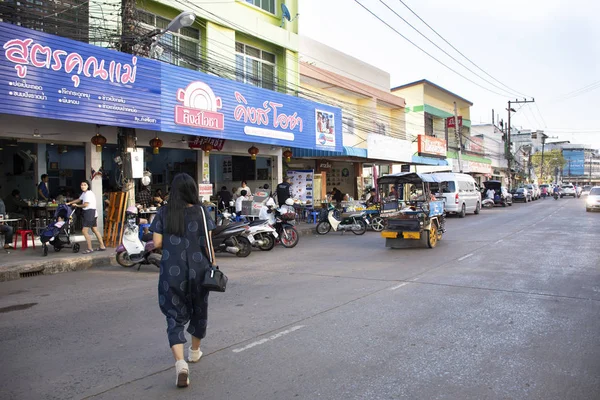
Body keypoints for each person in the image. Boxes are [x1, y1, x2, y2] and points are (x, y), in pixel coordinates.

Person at [149, 173, 216, 388]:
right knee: (199, 309)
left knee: (173, 314)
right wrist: (212, 265)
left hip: (172, 268)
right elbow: (208, 244)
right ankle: (194, 352)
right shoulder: (202, 212)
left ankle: (180, 364)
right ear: (192, 190)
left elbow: (157, 242)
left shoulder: (164, 211)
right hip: (198, 268)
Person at [67, 180, 106, 254]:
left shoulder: (88, 194)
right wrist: (70, 202)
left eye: (85, 185)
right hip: (92, 212)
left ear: (88, 186)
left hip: (90, 212)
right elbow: (79, 199)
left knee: (84, 231)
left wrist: (77, 205)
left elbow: (85, 204)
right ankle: (102, 246)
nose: (83, 186)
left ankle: (90, 248)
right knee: (95, 230)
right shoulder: (84, 193)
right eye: (82, 185)